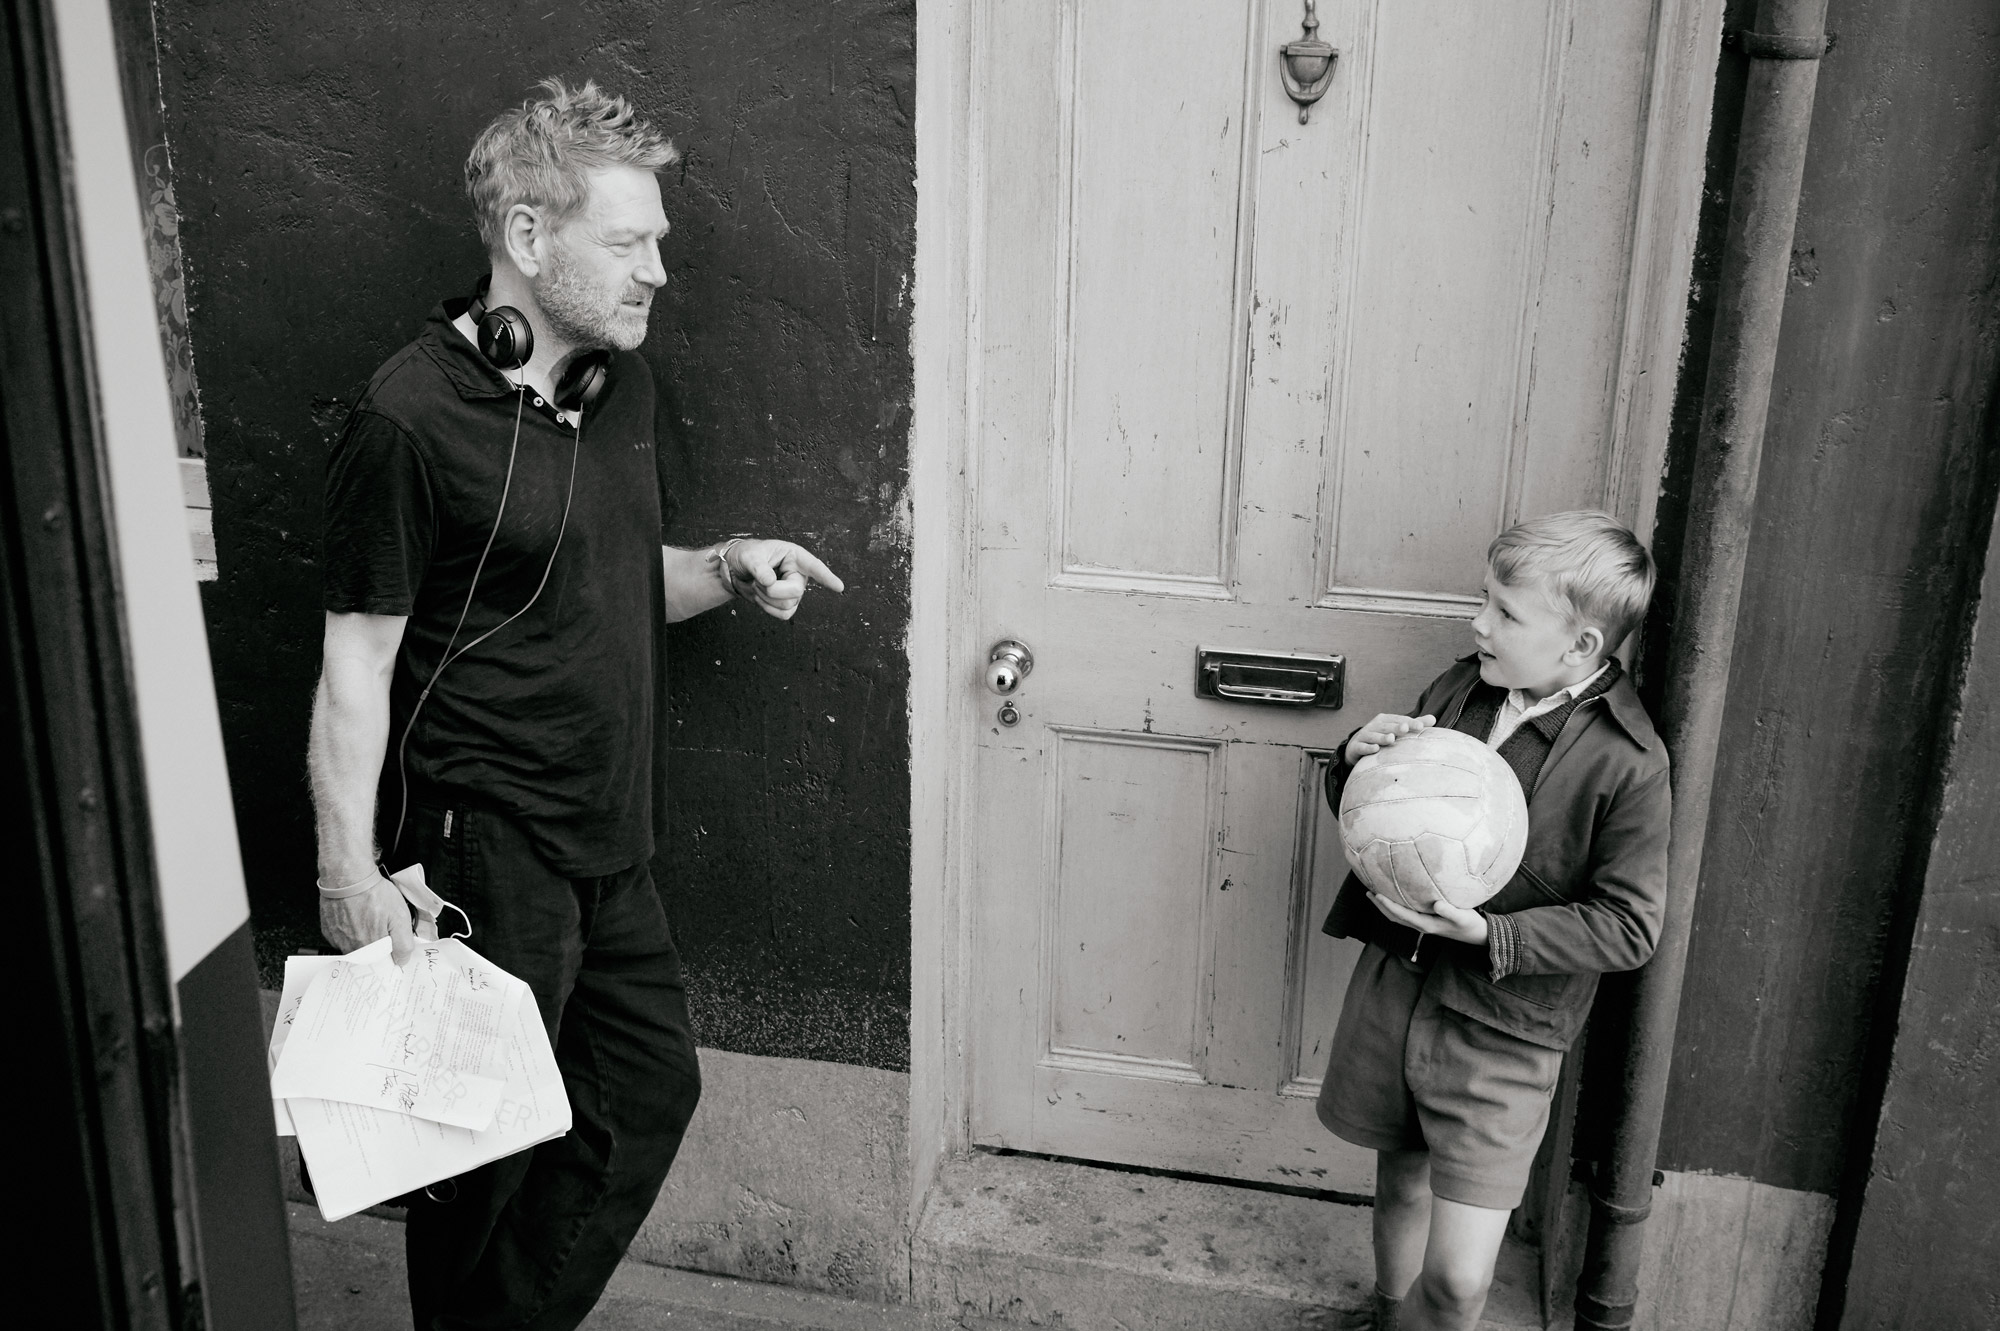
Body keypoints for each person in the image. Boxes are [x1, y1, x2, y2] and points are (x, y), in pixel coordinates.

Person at [306, 78, 843, 1331]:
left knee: (644, 1093)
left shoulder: (618, 391)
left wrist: (723, 565)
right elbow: (353, 661)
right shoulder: (407, 418)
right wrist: (345, 867)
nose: (658, 269)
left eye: (659, 240)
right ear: (528, 240)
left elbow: (598, 577)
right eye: (629, 242)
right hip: (483, 848)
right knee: (472, 1160)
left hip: (612, 840)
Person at [1315, 511, 1669, 1331]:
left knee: (1462, 1281)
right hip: (1397, 987)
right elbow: (1384, 826)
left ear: (1581, 645)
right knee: (1398, 1180)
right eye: (1486, 601)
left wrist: (1493, 936)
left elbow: (1629, 926)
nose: (1479, 623)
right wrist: (1357, 761)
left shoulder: (1628, 760)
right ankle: (1383, 1317)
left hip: (1506, 1032)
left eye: (1506, 613)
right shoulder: (1458, 688)